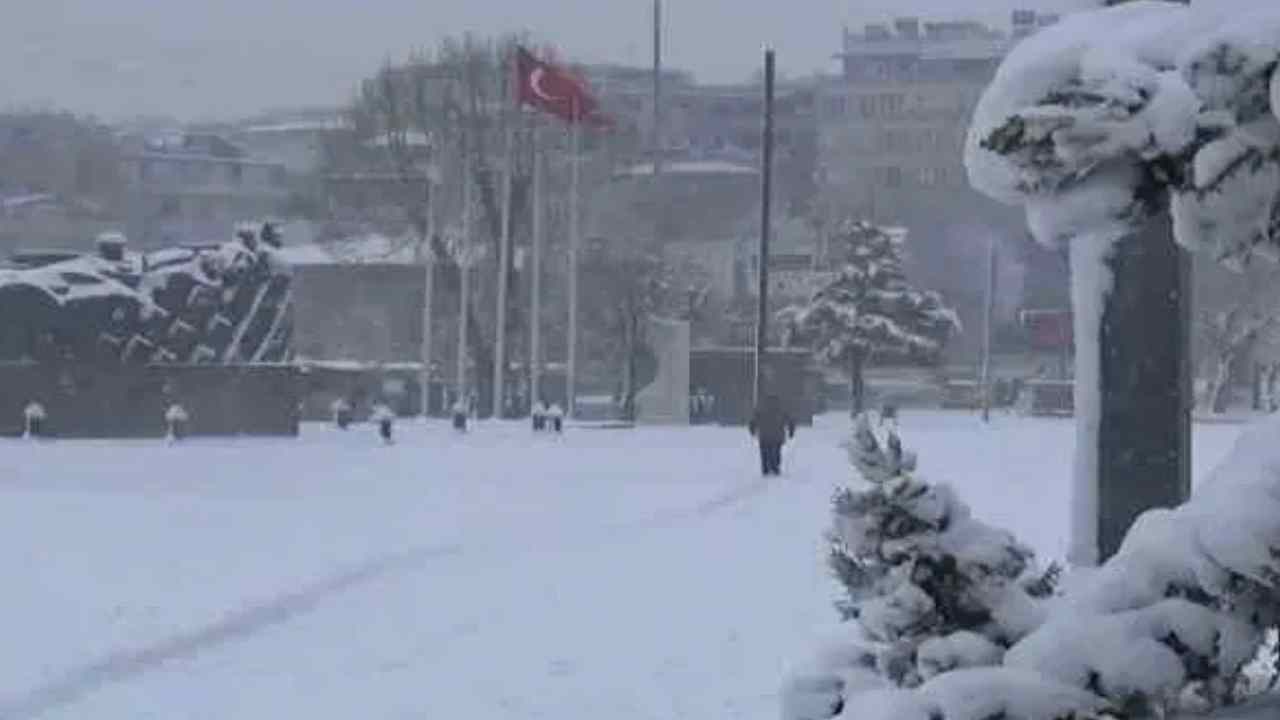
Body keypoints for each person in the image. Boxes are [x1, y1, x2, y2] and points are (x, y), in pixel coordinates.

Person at [748, 393, 796, 476]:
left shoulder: (761, 409)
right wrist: (791, 431)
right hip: (777, 436)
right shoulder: (781, 409)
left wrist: (752, 430)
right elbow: (790, 421)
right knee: (776, 452)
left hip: (764, 436)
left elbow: (753, 421)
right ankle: (775, 467)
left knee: (764, 453)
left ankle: (765, 468)